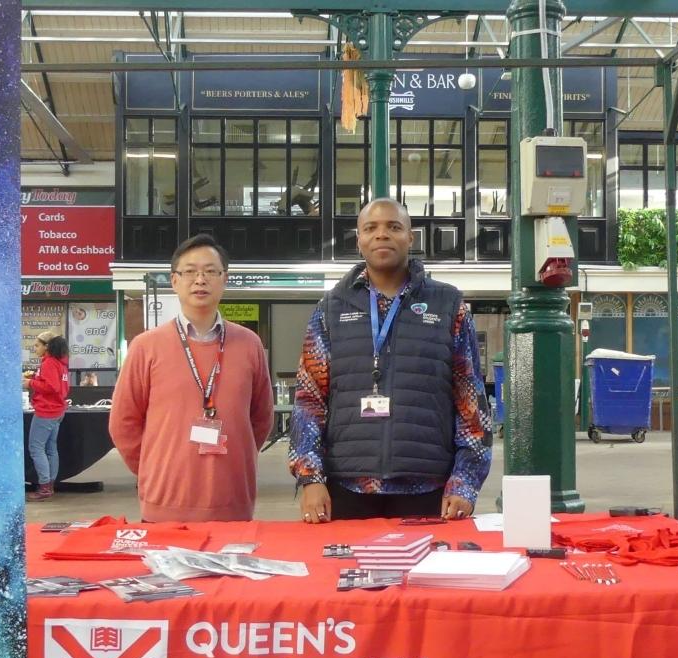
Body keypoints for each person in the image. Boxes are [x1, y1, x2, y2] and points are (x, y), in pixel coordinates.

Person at [290, 198, 492, 522]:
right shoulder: (330, 309)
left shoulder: (449, 305)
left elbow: (471, 402)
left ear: (410, 238)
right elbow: (309, 402)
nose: (382, 235)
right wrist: (310, 478)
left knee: (425, 574)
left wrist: (465, 481)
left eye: (394, 227)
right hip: (346, 489)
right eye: (371, 228)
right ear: (358, 240)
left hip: (430, 490)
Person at [109, 234, 274, 522]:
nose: (200, 280)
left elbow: (261, 419)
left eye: (211, 271)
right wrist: (154, 468)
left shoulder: (249, 344)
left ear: (225, 279)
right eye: (190, 272)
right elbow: (123, 423)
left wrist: (238, 456)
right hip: (164, 507)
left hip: (232, 504)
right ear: (174, 281)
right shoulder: (146, 346)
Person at [25, 333, 69, 500]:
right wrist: (36, 379)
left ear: (46, 346)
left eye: (37, 345)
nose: (34, 348)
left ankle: (44, 487)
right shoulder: (60, 363)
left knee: (36, 448)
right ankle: (49, 484)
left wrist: (30, 383)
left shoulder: (49, 363)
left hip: (46, 411)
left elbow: (51, 386)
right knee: (51, 449)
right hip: (57, 410)